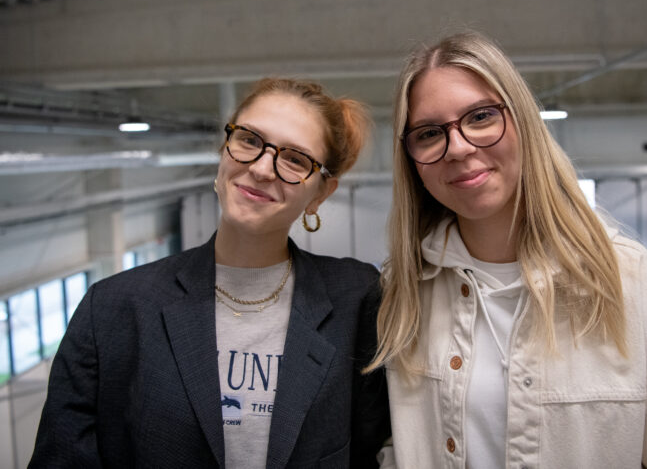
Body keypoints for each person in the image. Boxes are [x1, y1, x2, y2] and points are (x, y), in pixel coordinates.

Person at [367, 32, 647, 468]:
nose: (460, 148)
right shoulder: (403, 292)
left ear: (523, 121)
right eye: (429, 133)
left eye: (481, 116)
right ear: (411, 159)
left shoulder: (631, 282)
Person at [30, 78, 390, 468]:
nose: (262, 168)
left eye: (295, 160)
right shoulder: (114, 308)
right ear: (225, 149)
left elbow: (370, 451)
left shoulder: (356, 300)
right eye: (250, 140)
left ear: (320, 193)